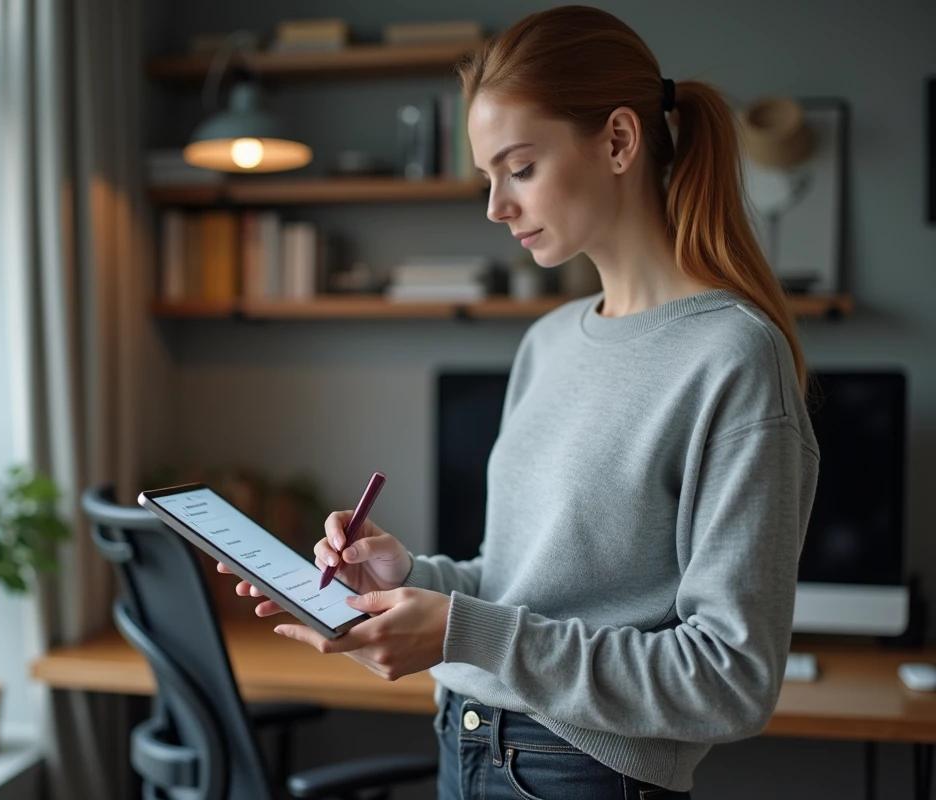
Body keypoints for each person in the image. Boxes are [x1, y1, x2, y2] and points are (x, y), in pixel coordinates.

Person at [217, 5, 820, 798]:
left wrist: (463, 630)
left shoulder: (732, 357)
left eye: (521, 168)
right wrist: (410, 577)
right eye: (488, 178)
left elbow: (730, 679)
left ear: (618, 141)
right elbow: (521, 592)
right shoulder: (549, 341)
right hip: (462, 741)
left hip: (578, 773)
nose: (495, 206)